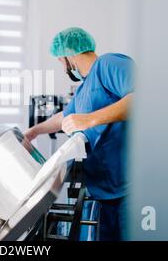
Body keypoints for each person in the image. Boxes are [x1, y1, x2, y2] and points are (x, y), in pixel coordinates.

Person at [24, 27, 134, 241]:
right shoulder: (84, 88)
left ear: (68, 56)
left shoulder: (109, 64)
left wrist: (89, 119)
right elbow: (65, 117)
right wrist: (33, 132)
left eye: (60, 60)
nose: (62, 65)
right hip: (102, 191)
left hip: (127, 190)